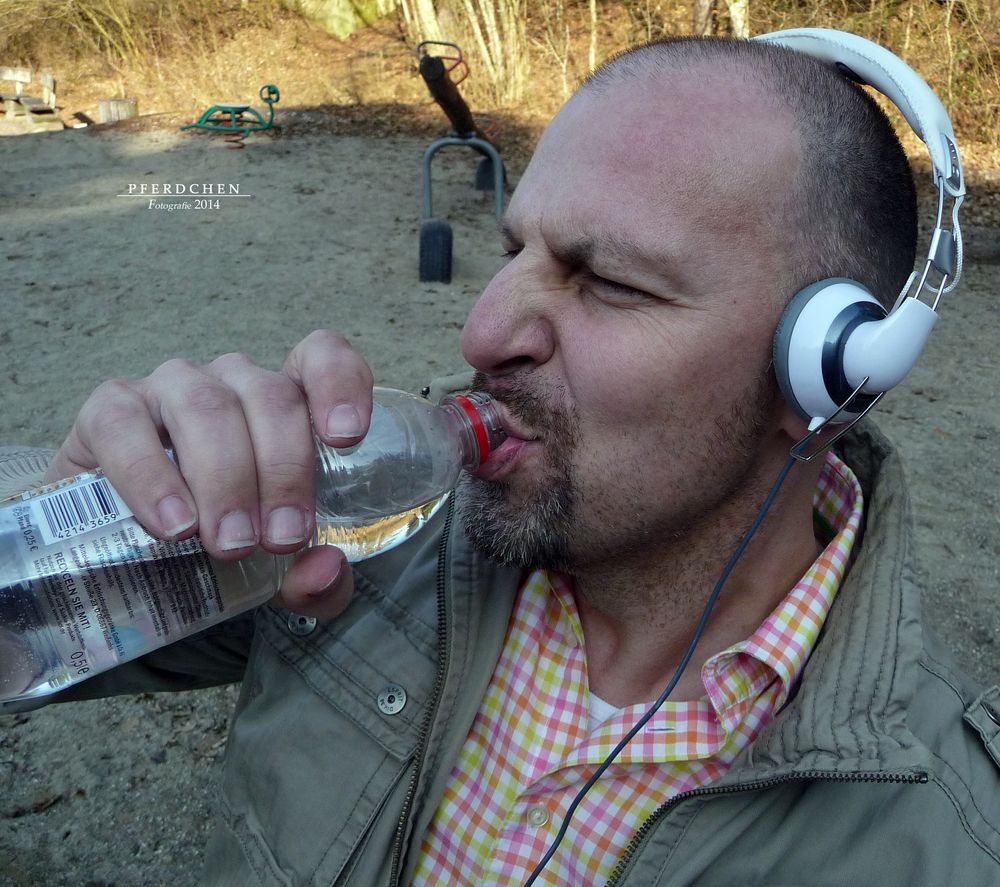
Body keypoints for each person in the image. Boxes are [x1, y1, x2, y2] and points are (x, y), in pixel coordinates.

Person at [4, 33, 999, 886]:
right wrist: (91, 510)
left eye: (605, 280)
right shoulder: (364, 538)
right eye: (512, 248)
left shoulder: (941, 835)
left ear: (826, 371)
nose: (482, 332)